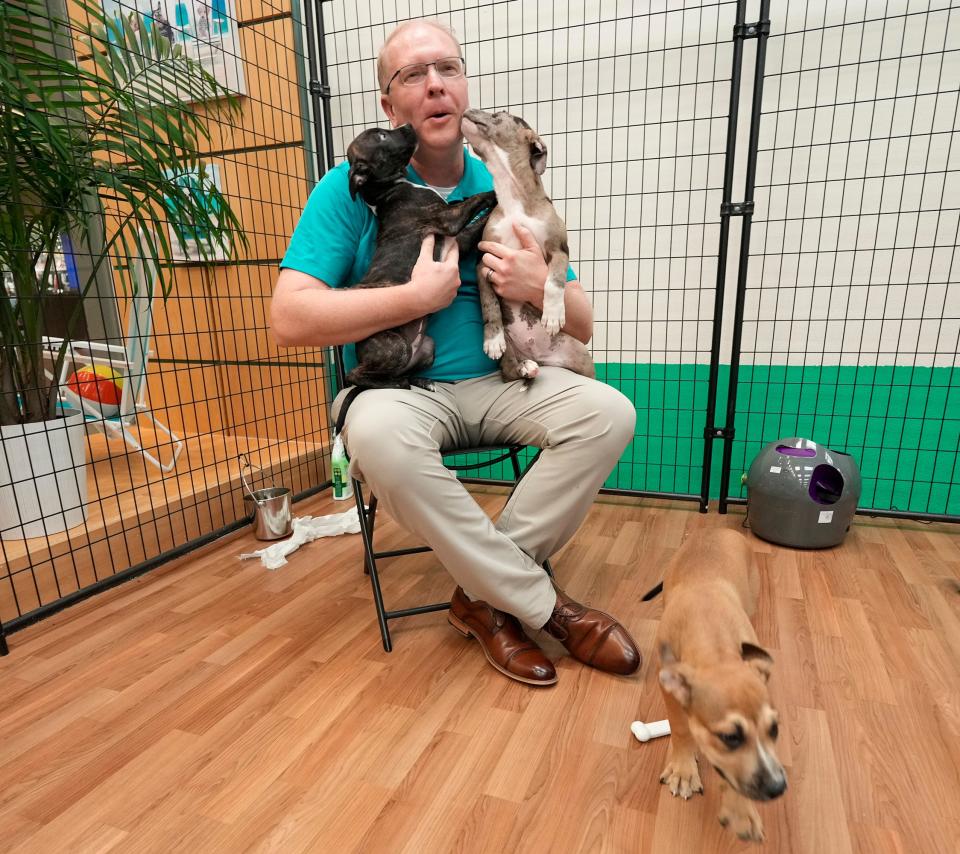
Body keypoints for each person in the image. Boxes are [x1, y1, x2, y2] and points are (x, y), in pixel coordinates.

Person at [271, 19, 641, 686]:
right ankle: (547, 610)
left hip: (507, 378)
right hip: (402, 391)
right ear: (390, 106)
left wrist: (541, 285)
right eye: (413, 75)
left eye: (448, 68)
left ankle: (482, 599)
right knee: (377, 439)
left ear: (464, 86)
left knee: (609, 413)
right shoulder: (355, 185)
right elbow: (289, 318)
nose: (435, 84)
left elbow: (580, 324)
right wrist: (413, 298)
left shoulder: (507, 178)